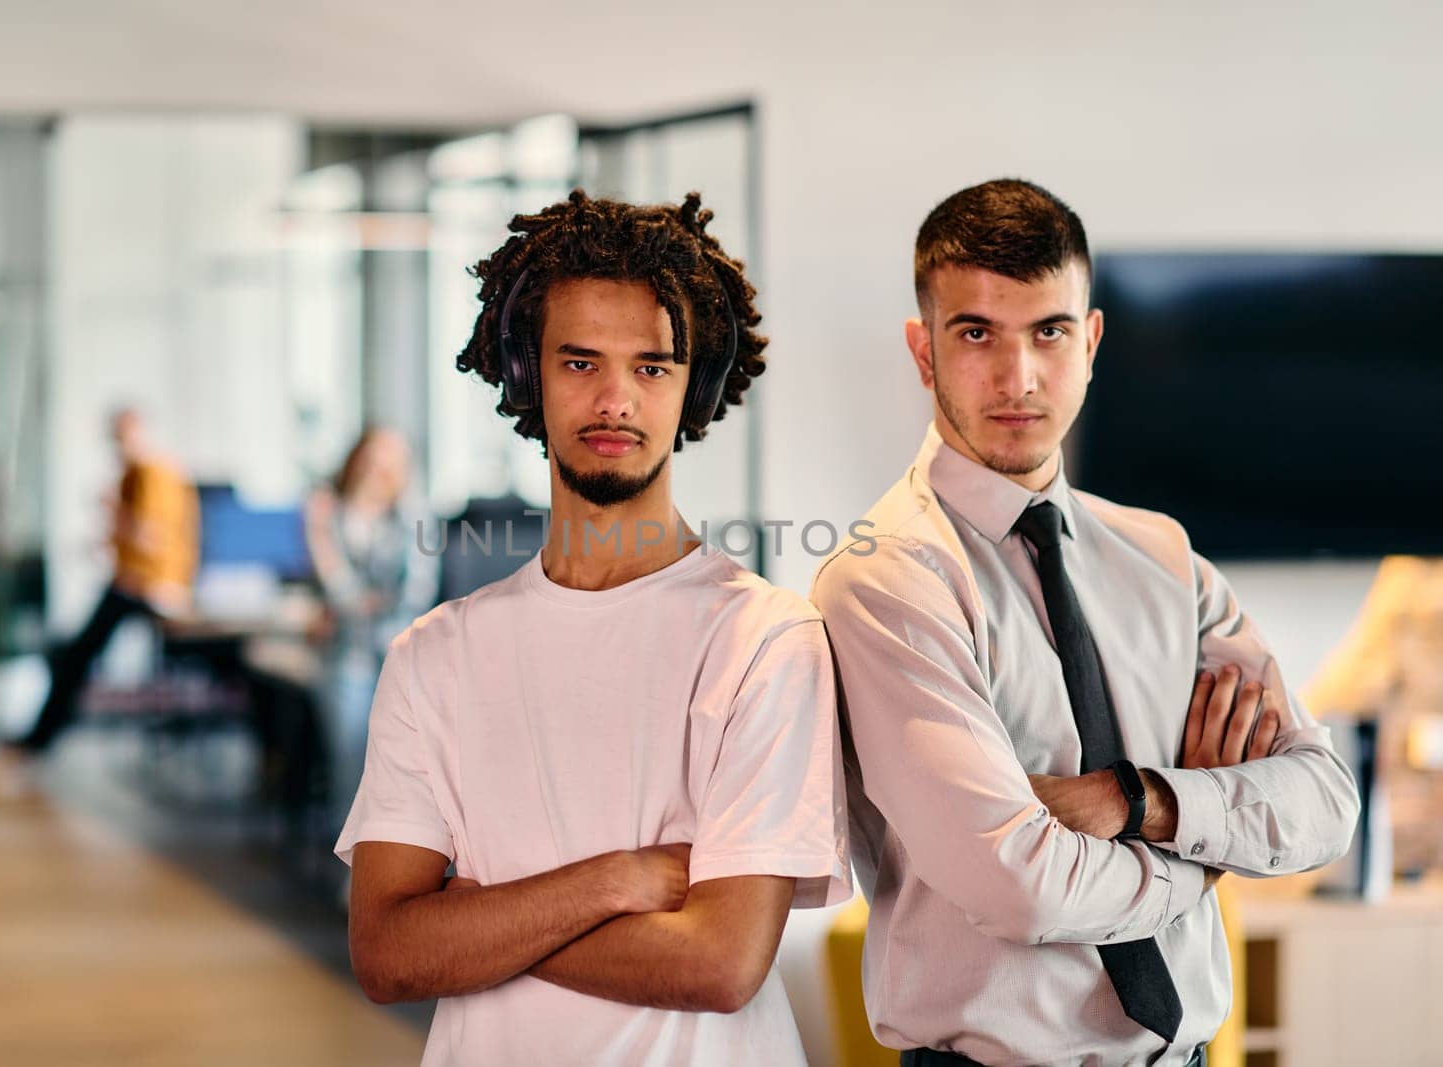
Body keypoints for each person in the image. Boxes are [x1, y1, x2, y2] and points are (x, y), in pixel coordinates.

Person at [810, 179, 1360, 1066]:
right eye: (977, 332)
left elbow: (1326, 802)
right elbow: (1021, 888)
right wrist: (1210, 847)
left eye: (1049, 331)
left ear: (1092, 339)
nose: (1017, 377)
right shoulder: (885, 581)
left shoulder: (1166, 561)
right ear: (923, 349)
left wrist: (1137, 800)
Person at [337, 190, 850, 1066]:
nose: (616, 398)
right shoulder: (434, 656)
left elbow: (720, 962)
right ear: (529, 375)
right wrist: (618, 881)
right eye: (580, 362)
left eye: (652, 367)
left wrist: (473, 919)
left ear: (695, 386)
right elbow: (386, 956)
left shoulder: (767, 639)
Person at [0, 407, 198, 789]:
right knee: (74, 653)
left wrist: (114, 512)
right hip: (135, 581)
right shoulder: (138, 475)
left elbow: (151, 538)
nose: (119, 447)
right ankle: (38, 738)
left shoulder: (154, 474)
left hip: (151, 588)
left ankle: (38, 741)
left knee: (76, 655)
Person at [304, 426, 438, 814]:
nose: (378, 465)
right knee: (350, 769)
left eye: (390, 457)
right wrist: (355, 602)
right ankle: (352, 872)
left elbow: (416, 592)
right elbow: (335, 583)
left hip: (400, 657)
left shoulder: (412, 514)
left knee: (406, 773)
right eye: (372, 454)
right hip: (346, 656)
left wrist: (357, 605)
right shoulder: (330, 512)